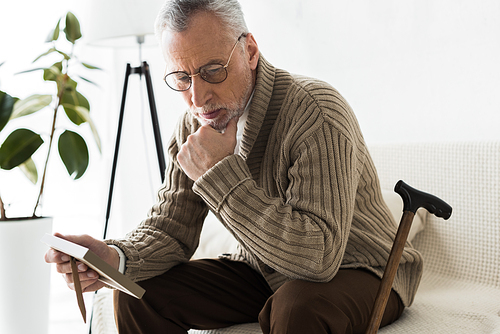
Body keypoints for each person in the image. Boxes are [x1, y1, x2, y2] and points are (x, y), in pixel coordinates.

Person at [45, 0, 423, 333]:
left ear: (251, 51)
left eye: (212, 70)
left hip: (361, 268)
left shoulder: (317, 111)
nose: (198, 97)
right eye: (181, 78)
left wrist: (219, 174)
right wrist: (115, 257)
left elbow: (318, 258)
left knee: (296, 308)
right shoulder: (195, 123)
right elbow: (173, 227)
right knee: (137, 293)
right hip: (265, 268)